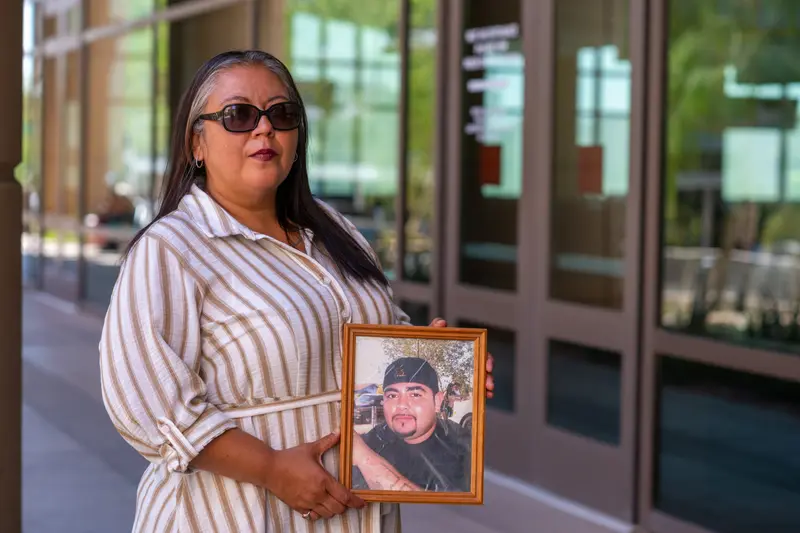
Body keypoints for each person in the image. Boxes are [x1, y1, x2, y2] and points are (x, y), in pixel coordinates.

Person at [98, 49, 495, 533]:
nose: (263, 129)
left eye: (281, 114)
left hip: (355, 515)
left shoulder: (334, 229)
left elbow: (378, 338)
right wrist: (269, 467)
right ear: (195, 143)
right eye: (238, 115)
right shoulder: (171, 250)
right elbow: (145, 402)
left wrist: (441, 360)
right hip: (235, 517)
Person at [351, 358, 471, 493]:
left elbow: (448, 511)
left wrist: (366, 460)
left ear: (437, 401)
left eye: (415, 394)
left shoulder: (465, 448)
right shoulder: (372, 440)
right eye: (392, 396)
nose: (401, 404)